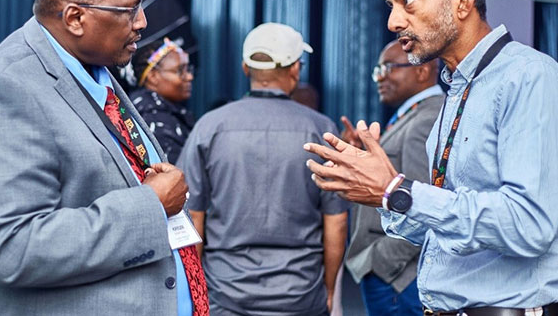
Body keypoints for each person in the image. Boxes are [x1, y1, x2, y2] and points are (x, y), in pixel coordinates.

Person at [305, 0, 558, 315]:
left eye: (408, 1)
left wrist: (397, 191)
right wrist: (378, 191)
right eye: (391, 5)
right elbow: (448, 229)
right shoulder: (458, 88)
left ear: (462, 0)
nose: (393, 21)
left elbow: (528, 226)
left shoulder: (531, 79)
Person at [0, 0, 208, 316]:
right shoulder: (7, 89)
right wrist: (151, 204)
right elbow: (14, 248)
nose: (143, 22)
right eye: (129, 9)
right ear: (75, 18)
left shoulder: (94, 65)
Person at [179, 22, 349, 316]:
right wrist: (330, 290)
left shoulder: (209, 127)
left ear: (246, 68)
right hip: (301, 296)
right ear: (295, 68)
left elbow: (192, 218)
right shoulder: (321, 130)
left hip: (225, 294)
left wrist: (196, 294)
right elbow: (336, 221)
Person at [342, 41, 443, 316]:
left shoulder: (428, 118)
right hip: (395, 275)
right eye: (378, 70)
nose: (380, 77)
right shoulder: (415, 114)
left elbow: (424, 205)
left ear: (422, 71)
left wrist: (382, 264)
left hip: (399, 279)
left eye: (388, 68)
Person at [129, 37, 195, 162]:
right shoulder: (156, 123)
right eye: (180, 70)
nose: (189, 76)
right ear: (153, 76)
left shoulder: (164, 112)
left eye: (188, 69)